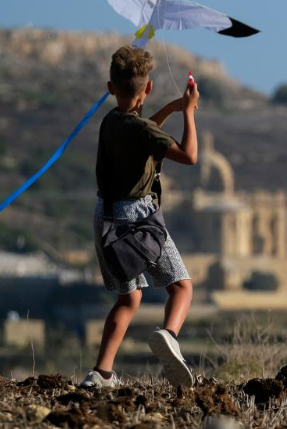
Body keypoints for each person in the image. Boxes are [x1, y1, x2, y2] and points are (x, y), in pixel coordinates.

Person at [80, 45, 199, 388]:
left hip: (105, 216)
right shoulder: (143, 131)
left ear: (110, 88)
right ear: (148, 87)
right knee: (181, 288)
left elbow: (145, 128)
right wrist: (188, 113)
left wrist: (172, 109)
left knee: (129, 298)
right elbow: (189, 155)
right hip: (138, 219)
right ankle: (169, 335)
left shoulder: (110, 122)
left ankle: (101, 373)